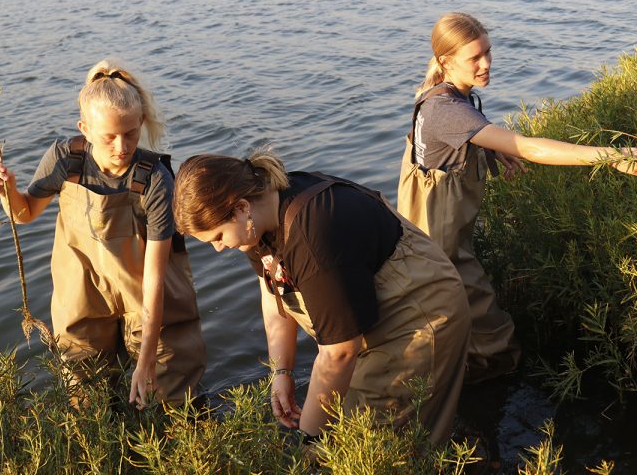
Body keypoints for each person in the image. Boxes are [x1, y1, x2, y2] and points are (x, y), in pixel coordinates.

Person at [398, 12, 637, 384]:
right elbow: (530, 147)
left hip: (436, 244)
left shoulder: (445, 95)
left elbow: (440, 151)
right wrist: (611, 156)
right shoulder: (447, 109)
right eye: (475, 58)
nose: (486, 63)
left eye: (488, 51)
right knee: (490, 334)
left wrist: (486, 150)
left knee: (460, 330)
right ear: (446, 62)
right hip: (440, 253)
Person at [172, 152, 471, 446]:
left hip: (419, 317)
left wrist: (310, 440)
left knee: (378, 445)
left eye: (218, 237)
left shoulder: (312, 235)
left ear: (240, 208)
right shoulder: (258, 220)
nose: (218, 249)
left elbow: (339, 353)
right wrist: (282, 371)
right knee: (347, 426)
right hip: (372, 322)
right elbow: (272, 289)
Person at [0, 59, 206, 408]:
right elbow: (25, 213)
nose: (122, 147)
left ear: (141, 123)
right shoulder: (64, 159)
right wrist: (7, 192)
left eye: (131, 133)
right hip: (83, 300)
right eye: (109, 137)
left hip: (147, 300)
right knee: (87, 403)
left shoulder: (156, 179)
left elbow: (154, 279)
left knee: (173, 398)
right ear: (84, 129)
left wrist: (147, 360)